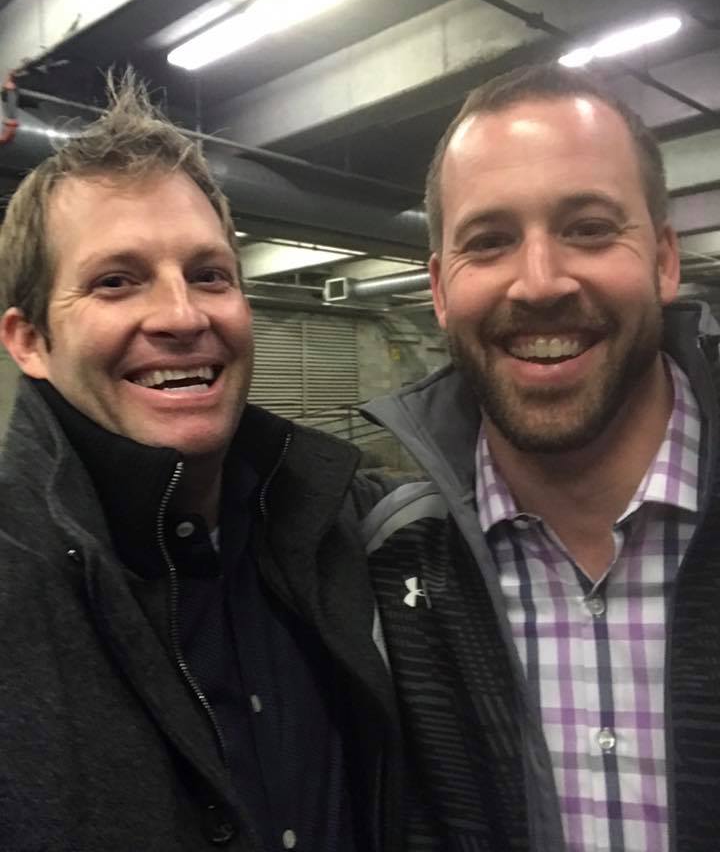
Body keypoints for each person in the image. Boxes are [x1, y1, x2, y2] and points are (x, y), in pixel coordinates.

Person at [0, 74, 403, 852]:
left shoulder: (344, 534)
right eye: (116, 282)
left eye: (209, 274)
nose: (182, 315)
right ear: (30, 342)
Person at [359, 63, 720, 852]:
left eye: (588, 227)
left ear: (664, 260)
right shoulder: (393, 573)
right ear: (440, 289)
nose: (540, 282)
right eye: (490, 241)